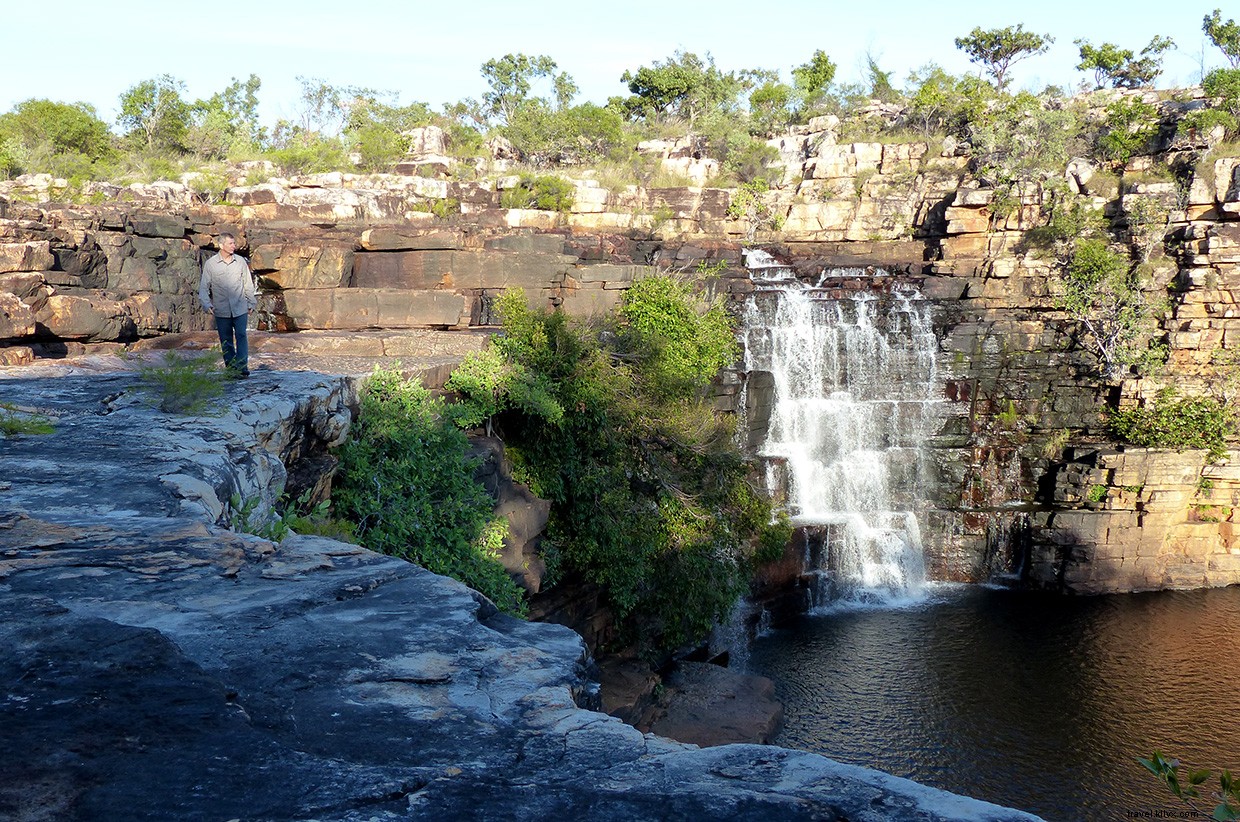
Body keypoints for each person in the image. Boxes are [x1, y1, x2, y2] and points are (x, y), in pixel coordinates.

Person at [198, 232, 257, 377]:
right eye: (230, 243)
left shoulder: (241, 261)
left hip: (240, 307)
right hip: (221, 309)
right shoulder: (211, 264)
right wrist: (206, 304)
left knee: (242, 335)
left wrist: (251, 302)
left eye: (234, 243)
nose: (234, 246)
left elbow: (248, 284)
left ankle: (242, 368)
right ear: (221, 245)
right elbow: (204, 286)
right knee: (226, 341)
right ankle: (231, 369)